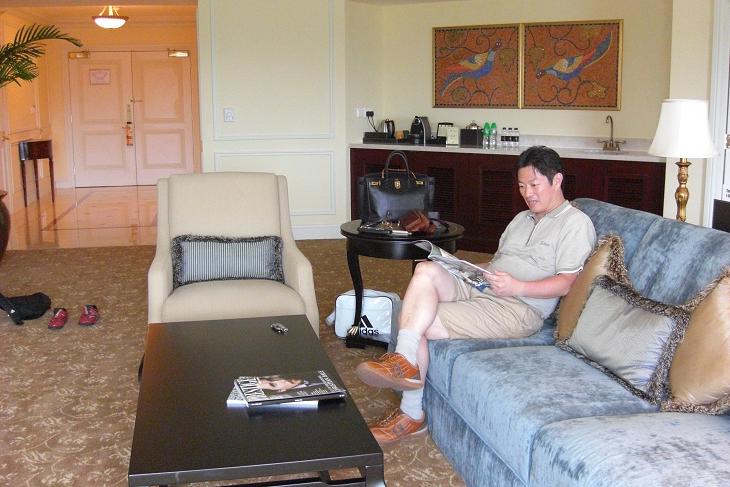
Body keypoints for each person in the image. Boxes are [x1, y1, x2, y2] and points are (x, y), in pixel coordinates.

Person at [355, 145, 597, 444]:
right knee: (427, 269)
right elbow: (498, 263)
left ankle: (411, 414)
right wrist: (459, 267)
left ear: (557, 180)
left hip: (517, 307)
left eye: (534, 185)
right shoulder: (521, 219)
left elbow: (567, 283)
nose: (528, 194)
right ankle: (403, 360)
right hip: (485, 285)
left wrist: (517, 287)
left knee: (420, 321)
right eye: (522, 186)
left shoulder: (575, 224)